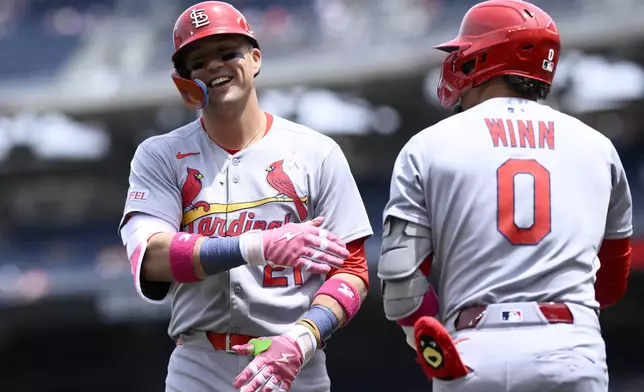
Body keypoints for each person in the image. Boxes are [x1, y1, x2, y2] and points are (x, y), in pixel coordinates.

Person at [377, 1, 633, 391]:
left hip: (472, 350)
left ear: (482, 56)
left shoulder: (427, 145)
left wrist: (427, 338)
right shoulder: (599, 147)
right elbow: (612, 283)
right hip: (569, 347)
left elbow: (401, 287)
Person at [118, 2, 373, 391]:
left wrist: (304, 338)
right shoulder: (161, 155)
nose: (214, 66)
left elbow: (352, 271)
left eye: (227, 53)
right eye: (198, 61)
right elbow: (151, 258)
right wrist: (257, 245)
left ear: (255, 58)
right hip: (199, 364)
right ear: (185, 80)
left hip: (294, 360)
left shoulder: (315, 151)